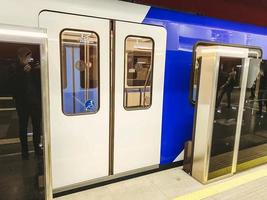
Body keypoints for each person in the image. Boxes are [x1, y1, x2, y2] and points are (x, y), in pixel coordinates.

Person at [9, 47, 42, 159]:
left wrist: (38, 70)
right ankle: (25, 151)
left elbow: (39, 82)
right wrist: (22, 72)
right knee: (23, 126)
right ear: (20, 57)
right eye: (26, 57)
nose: (28, 59)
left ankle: (37, 148)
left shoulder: (33, 67)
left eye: (29, 56)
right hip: (22, 103)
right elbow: (12, 85)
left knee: (37, 126)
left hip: (35, 102)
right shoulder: (14, 67)